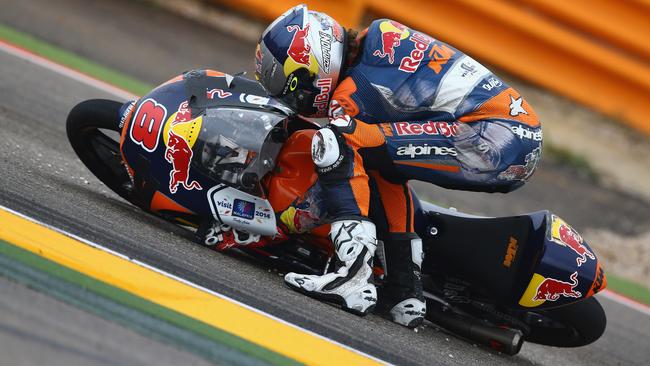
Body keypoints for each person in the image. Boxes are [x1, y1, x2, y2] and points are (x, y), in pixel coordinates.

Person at [253, 5, 542, 328]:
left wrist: (288, 219)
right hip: (516, 134)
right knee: (378, 162)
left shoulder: (352, 90)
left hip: (492, 137)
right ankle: (404, 293)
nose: (289, 95)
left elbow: (338, 161)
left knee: (334, 140)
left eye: (288, 82)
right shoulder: (377, 46)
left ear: (314, 59)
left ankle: (351, 275)